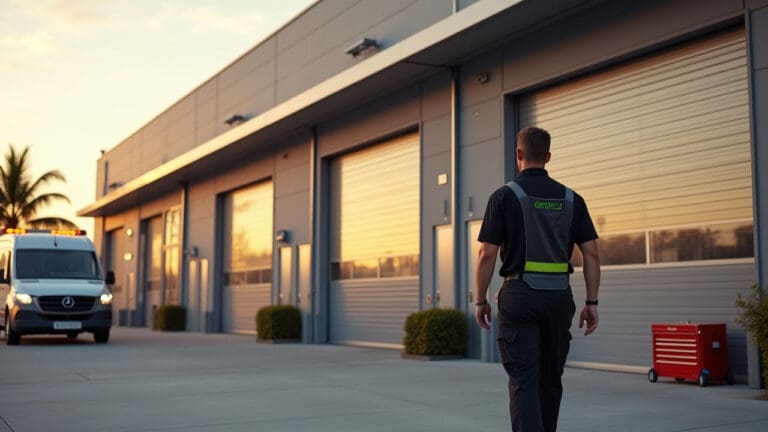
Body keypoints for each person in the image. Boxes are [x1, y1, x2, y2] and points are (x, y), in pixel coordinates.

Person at [474, 126, 600, 432]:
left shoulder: (504, 197)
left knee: (523, 382)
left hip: (519, 297)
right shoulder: (573, 199)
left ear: (518, 154)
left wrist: (480, 299)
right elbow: (592, 254)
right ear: (548, 157)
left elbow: (487, 255)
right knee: (550, 380)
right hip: (559, 300)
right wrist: (591, 302)